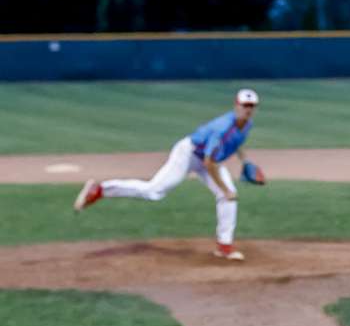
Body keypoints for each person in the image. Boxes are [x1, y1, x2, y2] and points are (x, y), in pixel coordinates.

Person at [73, 88, 260, 261]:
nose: (248, 109)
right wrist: (225, 188)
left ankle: (224, 247)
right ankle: (100, 190)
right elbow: (209, 163)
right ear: (236, 105)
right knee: (154, 191)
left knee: (228, 197)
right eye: (245, 105)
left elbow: (236, 143)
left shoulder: (247, 124)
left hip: (208, 159)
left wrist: (245, 161)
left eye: (251, 106)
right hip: (189, 154)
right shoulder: (223, 127)